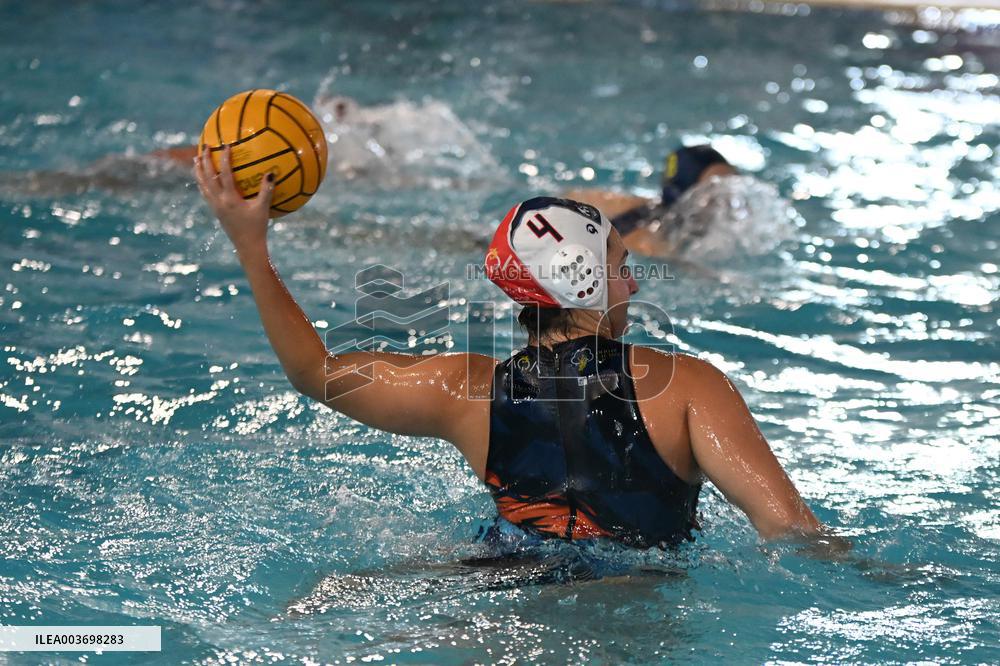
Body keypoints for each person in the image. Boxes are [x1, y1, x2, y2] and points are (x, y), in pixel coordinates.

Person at [194, 145, 825, 550]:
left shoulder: (466, 390)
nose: (632, 281)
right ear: (583, 278)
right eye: (621, 264)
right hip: (628, 614)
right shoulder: (688, 386)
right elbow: (792, 534)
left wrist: (251, 246)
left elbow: (316, 371)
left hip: (492, 593)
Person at [565, 144, 737, 258]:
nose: (728, 200)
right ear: (685, 194)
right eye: (713, 190)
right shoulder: (651, 241)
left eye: (732, 186)